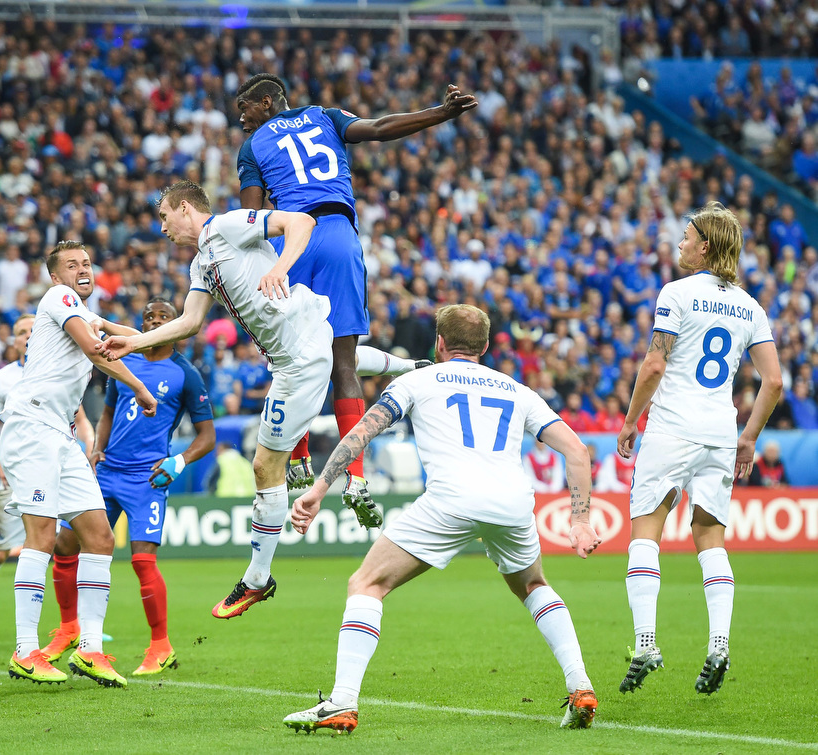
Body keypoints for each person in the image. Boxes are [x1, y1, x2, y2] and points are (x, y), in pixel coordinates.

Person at [282, 304, 602, 734]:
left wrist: (320, 488)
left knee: (367, 584)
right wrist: (580, 520)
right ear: (485, 346)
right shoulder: (516, 389)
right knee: (533, 585)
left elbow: (362, 430)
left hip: (451, 500)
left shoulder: (417, 379)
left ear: (439, 343)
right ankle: (580, 686)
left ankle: (342, 702)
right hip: (511, 502)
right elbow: (578, 451)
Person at [234, 73, 476, 511]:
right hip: (338, 236)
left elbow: (251, 218)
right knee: (343, 363)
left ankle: (299, 459)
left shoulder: (252, 147)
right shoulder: (325, 117)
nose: (243, 120)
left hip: (291, 241)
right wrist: (442, 113)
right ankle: (357, 478)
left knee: (291, 357)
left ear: (266, 102)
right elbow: (380, 129)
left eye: (245, 110)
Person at [99, 180, 339, 620]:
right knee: (342, 368)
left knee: (266, 466)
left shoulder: (228, 225)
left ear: (184, 208)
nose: (163, 228)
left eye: (164, 217)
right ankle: (415, 367)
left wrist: (281, 266)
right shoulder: (200, 264)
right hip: (303, 343)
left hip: (297, 357)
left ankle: (257, 579)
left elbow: (301, 221)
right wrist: (133, 344)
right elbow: (189, 322)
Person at [617, 202, 782, 697]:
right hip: (720, 433)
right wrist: (748, 437)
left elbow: (653, 366)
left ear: (705, 246)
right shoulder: (751, 306)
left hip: (671, 429)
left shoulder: (677, 293)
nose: (680, 243)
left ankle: (646, 643)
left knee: (647, 531)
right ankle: (719, 645)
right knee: (710, 537)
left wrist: (630, 422)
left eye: (687, 236)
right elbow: (773, 380)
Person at [0, 240, 157, 688]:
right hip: (32, 426)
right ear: (55, 276)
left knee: (100, 537)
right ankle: (25, 650)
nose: (82, 269)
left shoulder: (83, 309)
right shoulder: (58, 298)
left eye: (86, 263)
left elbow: (113, 331)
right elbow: (95, 347)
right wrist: (141, 388)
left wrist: (165, 336)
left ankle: (89, 650)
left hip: (61, 434)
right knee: (42, 536)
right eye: (71, 264)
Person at [42, 297, 217, 676]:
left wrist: (178, 461)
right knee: (65, 544)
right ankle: (69, 629)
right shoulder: (122, 362)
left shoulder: (186, 373)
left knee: (141, 559)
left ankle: (160, 646)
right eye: (149, 317)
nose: (155, 322)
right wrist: (97, 450)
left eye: (163, 317)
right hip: (108, 472)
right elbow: (106, 413)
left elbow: (207, 437)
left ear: (177, 326)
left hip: (148, 477)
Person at [0, 313, 94, 643]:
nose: (29, 335)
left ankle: (76, 626)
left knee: (69, 545)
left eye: (34, 329)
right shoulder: (2, 380)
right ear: (14, 341)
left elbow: (82, 420)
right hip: (21, 471)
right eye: (21, 332)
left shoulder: (59, 369)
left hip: (61, 465)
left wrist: (89, 450)